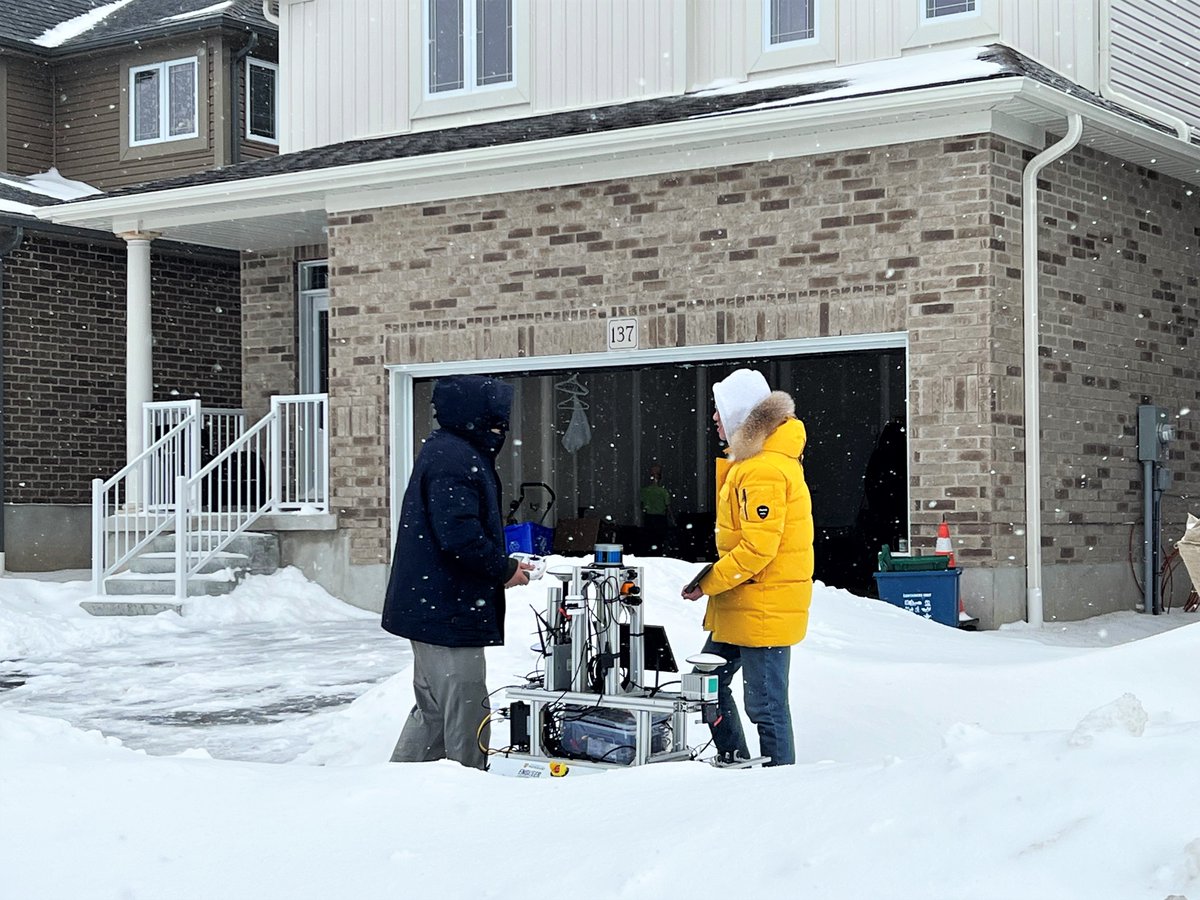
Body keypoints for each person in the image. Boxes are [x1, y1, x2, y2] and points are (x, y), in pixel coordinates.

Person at [382, 375, 533, 770]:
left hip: (434, 608)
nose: (502, 428)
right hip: (447, 610)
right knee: (467, 709)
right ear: (473, 416)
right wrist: (504, 570)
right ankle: (470, 790)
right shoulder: (454, 457)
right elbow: (459, 536)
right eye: (496, 419)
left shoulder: (448, 451)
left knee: (433, 710)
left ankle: (397, 786)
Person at [680, 368, 814, 767]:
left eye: (719, 411)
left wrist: (709, 583)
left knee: (766, 704)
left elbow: (759, 548)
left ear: (740, 414)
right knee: (707, 683)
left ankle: (779, 781)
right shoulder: (752, 464)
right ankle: (734, 760)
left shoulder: (764, 469)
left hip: (763, 605)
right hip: (743, 602)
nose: (714, 419)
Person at [639, 463, 672, 553]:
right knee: (659, 540)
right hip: (660, 518)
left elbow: (641, 505)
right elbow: (668, 507)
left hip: (649, 518)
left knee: (649, 539)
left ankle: (650, 552)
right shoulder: (663, 492)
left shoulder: (645, 491)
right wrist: (672, 520)